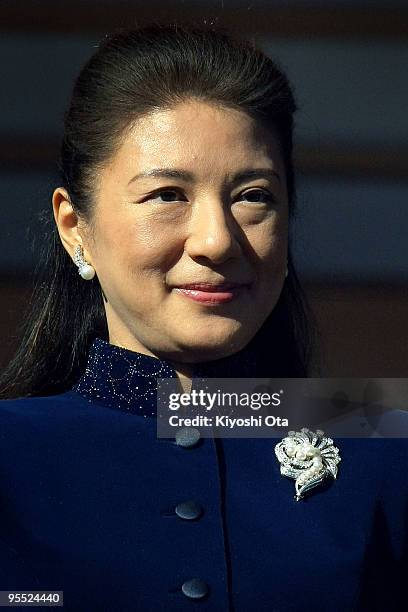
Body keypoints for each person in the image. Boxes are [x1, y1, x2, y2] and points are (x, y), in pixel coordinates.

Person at [0, 23, 406, 612]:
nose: (217, 241)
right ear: (74, 227)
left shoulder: (383, 438)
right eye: (167, 195)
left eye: (254, 195)